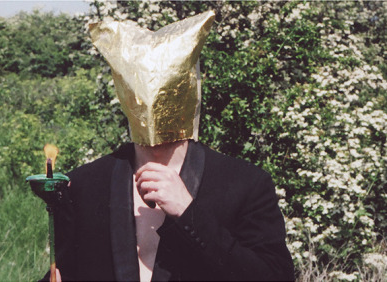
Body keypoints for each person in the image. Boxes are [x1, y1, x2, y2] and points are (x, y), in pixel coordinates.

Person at [42, 11, 294, 281]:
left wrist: (188, 213)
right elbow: (63, 270)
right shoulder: (84, 185)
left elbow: (275, 276)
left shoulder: (244, 185)